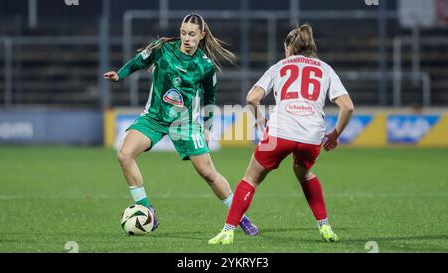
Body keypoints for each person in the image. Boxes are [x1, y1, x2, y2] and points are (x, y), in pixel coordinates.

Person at [104, 13, 258, 235]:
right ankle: (148, 210)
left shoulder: (205, 66)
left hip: (184, 123)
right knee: (124, 155)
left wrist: (207, 128)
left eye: (192, 34)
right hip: (154, 117)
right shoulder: (162, 49)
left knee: (208, 173)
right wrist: (119, 75)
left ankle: (241, 218)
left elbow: (210, 99)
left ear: (201, 35)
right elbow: (139, 61)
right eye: (183, 32)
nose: (186, 37)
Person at [208, 24, 354, 244]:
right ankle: (325, 226)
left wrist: (259, 120)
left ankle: (228, 231)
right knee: (304, 173)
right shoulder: (325, 69)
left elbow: (251, 98)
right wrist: (334, 135)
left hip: (279, 133)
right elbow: (348, 107)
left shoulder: (279, 66)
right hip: (311, 136)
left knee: (250, 179)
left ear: (289, 48)